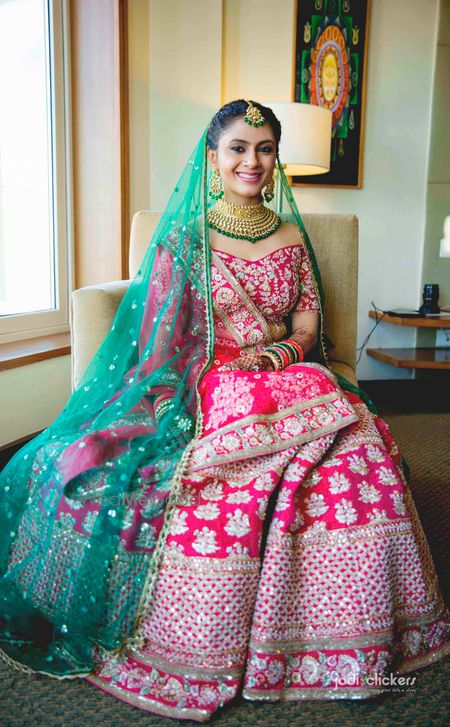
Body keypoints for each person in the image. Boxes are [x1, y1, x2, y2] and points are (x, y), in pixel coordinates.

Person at [0, 99, 448, 722]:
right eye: (238, 147)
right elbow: (158, 342)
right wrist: (174, 391)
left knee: (356, 463)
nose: (252, 161)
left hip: (289, 379)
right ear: (213, 157)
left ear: (276, 159)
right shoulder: (185, 239)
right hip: (212, 385)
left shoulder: (294, 233)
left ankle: (342, 637)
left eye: (264, 149)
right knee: (213, 488)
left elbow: (307, 323)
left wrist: (277, 357)